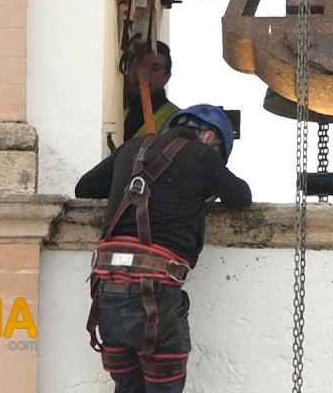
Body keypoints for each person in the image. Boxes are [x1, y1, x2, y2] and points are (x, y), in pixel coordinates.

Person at [77, 104, 252, 392]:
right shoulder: (201, 154)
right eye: (219, 155)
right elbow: (241, 196)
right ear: (209, 137)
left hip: (107, 292)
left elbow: (85, 187)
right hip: (154, 297)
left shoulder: (131, 148)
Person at [123, 41, 180, 140]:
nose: (144, 74)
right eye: (139, 65)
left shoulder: (176, 120)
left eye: (155, 69)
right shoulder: (117, 114)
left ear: (167, 77)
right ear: (128, 68)